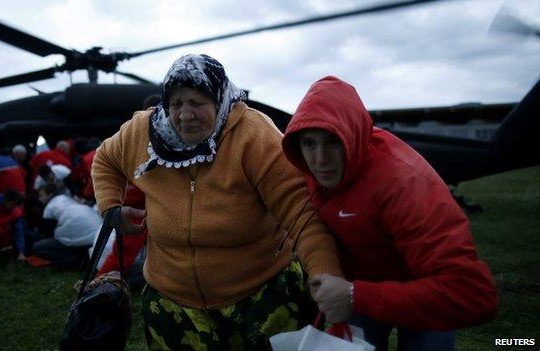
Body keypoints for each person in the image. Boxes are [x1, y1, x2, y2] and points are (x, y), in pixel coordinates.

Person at [92, 54, 342, 349]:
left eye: (197, 103)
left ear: (219, 99)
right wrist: (111, 207)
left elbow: (302, 216)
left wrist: (327, 275)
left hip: (259, 297)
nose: (185, 115)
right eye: (176, 104)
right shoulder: (142, 132)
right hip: (173, 302)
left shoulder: (255, 137)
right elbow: (105, 159)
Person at [281, 76, 498, 350]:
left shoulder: (405, 183)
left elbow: (474, 295)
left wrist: (353, 294)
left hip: (421, 291)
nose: (320, 160)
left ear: (354, 138)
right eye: (309, 143)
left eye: (333, 142)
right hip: (360, 289)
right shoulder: (308, 171)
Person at [32, 184, 97, 268]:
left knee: (38, 247)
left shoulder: (48, 209)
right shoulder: (65, 198)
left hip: (79, 239)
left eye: (41, 195)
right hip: (95, 233)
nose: (39, 198)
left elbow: (48, 233)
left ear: (50, 195)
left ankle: (76, 262)